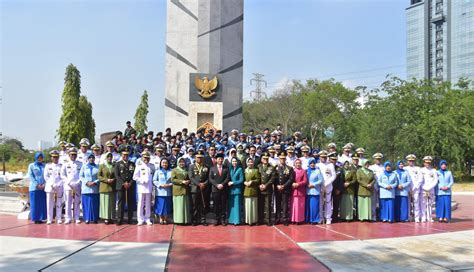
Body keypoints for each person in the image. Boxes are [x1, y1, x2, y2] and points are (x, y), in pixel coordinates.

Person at [114, 149, 136, 225]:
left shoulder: (132, 164)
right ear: (121, 155)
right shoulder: (117, 164)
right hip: (121, 186)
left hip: (130, 185)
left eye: (126, 155)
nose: (125, 156)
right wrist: (123, 183)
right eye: (124, 155)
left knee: (130, 203)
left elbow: (135, 175)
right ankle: (119, 219)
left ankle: (130, 219)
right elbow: (116, 175)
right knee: (120, 203)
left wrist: (130, 183)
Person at [61, 148, 82, 224]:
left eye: (74, 154)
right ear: (69, 155)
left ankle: (76, 217)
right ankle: (68, 218)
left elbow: (81, 175)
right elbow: (62, 175)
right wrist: (68, 182)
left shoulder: (80, 164)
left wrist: (78, 182)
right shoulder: (65, 164)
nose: (73, 156)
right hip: (68, 186)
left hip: (77, 185)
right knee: (68, 202)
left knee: (77, 202)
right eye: (71, 154)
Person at [133, 151, 155, 226]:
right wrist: (142, 181)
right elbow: (134, 177)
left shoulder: (151, 166)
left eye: (147, 158)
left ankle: (147, 218)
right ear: (142, 158)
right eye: (145, 157)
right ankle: (140, 219)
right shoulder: (139, 166)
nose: (146, 159)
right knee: (140, 203)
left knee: (148, 203)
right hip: (141, 187)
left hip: (149, 187)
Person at [189, 150, 209, 226]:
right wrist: (198, 184)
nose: (199, 159)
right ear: (195, 158)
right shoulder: (191, 166)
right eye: (198, 157)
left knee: (203, 205)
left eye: (201, 158)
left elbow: (208, 178)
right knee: (194, 205)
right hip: (195, 188)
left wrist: (204, 184)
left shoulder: (206, 166)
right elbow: (191, 177)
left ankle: (203, 220)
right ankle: (194, 220)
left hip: (204, 188)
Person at [209, 153, 230, 226]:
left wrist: (222, 184)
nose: (220, 160)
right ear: (216, 160)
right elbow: (210, 178)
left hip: (224, 189)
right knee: (216, 205)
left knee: (223, 205)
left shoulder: (226, 168)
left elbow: (228, 178)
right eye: (219, 159)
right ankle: (216, 219)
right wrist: (217, 185)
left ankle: (223, 219)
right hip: (215, 189)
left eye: (221, 159)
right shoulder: (212, 168)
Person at [43, 150, 63, 224]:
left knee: (59, 203)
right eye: (54, 157)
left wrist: (59, 184)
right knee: (49, 203)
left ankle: (59, 218)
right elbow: (46, 176)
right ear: (51, 157)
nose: (55, 158)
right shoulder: (48, 166)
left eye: (56, 157)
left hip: (59, 186)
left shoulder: (61, 166)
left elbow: (63, 176)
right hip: (50, 187)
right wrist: (51, 184)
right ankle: (49, 219)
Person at [275, 152, 294, 226]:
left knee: (285, 204)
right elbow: (274, 178)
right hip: (277, 189)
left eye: (283, 158)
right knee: (278, 204)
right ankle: (277, 218)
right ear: (279, 159)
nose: (282, 160)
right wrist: (277, 185)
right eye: (281, 158)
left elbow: (291, 179)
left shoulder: (289, 168)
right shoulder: (275, 167)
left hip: (285, 189)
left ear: (285, 159)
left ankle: (284, 219)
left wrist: (284, 186)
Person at [80, 154, 100, 224]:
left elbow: (99, 176)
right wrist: (87, 182)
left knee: (95, 204)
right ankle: (87, 219)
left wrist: (95, 182)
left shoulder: (98, 167)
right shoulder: (84, 166)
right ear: (88, 159)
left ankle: (95, 219)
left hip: (95, 188)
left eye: (93, 158)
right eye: (90, 158)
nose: (91, 159)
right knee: (86, 204)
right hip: (86, 188)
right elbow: (81, 176)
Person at [317, 150, 336, 224]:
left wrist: (327, 183)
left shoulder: (330, 165)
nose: (324, 158)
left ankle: (328, 218)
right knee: (320, 202)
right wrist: (321, 184)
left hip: (328, 186)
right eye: (322, 157)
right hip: (320, 186)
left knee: (328, 202)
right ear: (320, 157)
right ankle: (321, 217)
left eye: (325, 157)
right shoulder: (317, 165)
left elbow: (334, 176)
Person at [171, 157, 192, 225]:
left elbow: (189, 178)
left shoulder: (186, 170)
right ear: (178, 162)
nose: (182, 163)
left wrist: (188, 181)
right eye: (180, 162)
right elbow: (173, 180)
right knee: (178, 206)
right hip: (177, 190)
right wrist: (182, 181)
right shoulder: (174, 170)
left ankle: (185, 220)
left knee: (185, 206)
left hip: (185, 190)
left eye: (183, 162)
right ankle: (178, 220)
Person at [258, 152, 276, 226]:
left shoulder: (271, 167)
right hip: (260, 188)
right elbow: (257, 176)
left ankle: (268, 220)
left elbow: (272, 178)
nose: (265, 160)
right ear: (262, 159)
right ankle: (260, 219)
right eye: (264, 158)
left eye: (267, 159)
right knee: (260, 205)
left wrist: (265, 185)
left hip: (268, 188)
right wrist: (259, 185)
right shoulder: (258, 166)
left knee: (268, 205)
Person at [28, 152, 46, 224]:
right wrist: (36, 184)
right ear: (36, 158)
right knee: (34, 204)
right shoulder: (31, 166)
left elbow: (47, 176)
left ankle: (41, 218)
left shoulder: (44, 166)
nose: (40, 159)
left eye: (41, 157)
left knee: (41, 204)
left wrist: (44, 184)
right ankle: (35, 218)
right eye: (38, 157)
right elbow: (31, 176)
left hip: (43, 187)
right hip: (34, 188)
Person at [153, 158, 173, 224]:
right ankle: (161, 218)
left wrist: (169, 184)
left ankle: (166, 218)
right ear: (161, 164)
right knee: (160, 206)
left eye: (166, 163)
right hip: (160, 191)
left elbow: (173, 181)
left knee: (167, 205)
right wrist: (160, 185)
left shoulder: (171, 171)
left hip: (168, 191)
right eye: (163, 163)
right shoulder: (157, 171)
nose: (164, 164)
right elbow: (154, 180)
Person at [98, 152, 116, 224]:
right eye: (108, 157)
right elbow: (99, 176)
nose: (109, 158)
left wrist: (113, 179)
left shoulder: (114, 165)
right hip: (104, 187)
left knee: (112, 203)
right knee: (105, 203)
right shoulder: (102, 166)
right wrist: (106, 180)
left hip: (112, 187)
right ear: (106, 158)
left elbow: (116, 175)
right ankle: (106, 218)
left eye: (111, 157)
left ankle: (111, 217)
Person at [405, 154, 424, 222]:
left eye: (412, 161)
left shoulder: (418, 168)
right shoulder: (405, 168)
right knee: (408, 204)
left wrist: (415, 187)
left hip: (416, 189)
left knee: (416, 203)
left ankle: (416, 217)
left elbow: (421, 178)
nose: (411, 162)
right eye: (410, 161)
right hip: (407, 189)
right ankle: (408, 216)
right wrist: (409, 188)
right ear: (407, 161)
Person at [340, 154, 358, 221]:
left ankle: (349, 217)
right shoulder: (341, 171)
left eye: (347, 164)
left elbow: (354, 180)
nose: (346, 165)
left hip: (350, 189)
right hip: (343, 189)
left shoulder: (352, 171)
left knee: (350, 204)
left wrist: (349, 183)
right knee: (343, 203)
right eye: (345, 164)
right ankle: (343, 217)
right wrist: (343, 184)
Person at [306, 158, 323, 224]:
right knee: (308, 207)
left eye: (313, 163)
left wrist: (314, 184)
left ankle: (314, 220)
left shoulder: (317, 171)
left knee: (314, 207)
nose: (312, 164)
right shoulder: (306, 171)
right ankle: (308, 219)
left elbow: (320, 180)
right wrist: (307, 184)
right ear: (309, 164)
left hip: (315, 191)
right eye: (311, 163)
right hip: (308, 191)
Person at [243, 158, 261, 226]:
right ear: (247, 163)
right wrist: (244, 182)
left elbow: (258, 180)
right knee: (247, 206)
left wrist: (252, 182)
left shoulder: (256, 170)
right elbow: (242, 179)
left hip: (253, 190)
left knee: (253, 206)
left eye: (251, 162)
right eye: (249, 162)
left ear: (253, 163)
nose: (250, 163)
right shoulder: (244, 170)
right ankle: (248, 220)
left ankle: (254, 220)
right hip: (246, 190)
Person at [289, 159, 307, 224]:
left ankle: (299, 220)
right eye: (296, 163)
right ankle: (292, 219)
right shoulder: (292, 171)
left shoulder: (303, 171)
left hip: (300, 191)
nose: (298, 164)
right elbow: (289, 179)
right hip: (293, 190)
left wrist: (298, 184)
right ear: (294, 164)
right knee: (293, 206)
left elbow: (305, 181)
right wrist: (292, 184)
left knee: (300, 206)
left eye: (299, 163)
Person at [421, 156, 438, 223]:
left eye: (428, 162)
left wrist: (430, 187)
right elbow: (420, 180)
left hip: (431, 189)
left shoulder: (433, 170)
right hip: (423, 189)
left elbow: (435, 180)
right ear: (424, 163)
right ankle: (423, 217)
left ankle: (430, 217)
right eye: (426, 162)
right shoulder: (421, 170)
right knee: (423, 204)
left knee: (430, 204)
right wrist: (424, 187)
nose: (427, 164)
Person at [228, 157, 244, 226]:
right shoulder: (230, 169)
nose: (234, 162)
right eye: (233, 161)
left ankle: (237, 221)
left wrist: (233, 183)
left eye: (235, 161)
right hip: (231, 190)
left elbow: (241, 180)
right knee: (232, 206)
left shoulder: (240, 169)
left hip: (237, 190)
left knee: (237, 206)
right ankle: (231, 220)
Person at [369, 153, 384, 221]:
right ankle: (373, 216)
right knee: (373, 202)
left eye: (379, 159)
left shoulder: (383, 167)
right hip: (373, 186)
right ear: (374, 159)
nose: (378, 160)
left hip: (382, 187)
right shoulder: (371, 167)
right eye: (377, 159)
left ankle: (381, 216)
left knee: (381, 202)